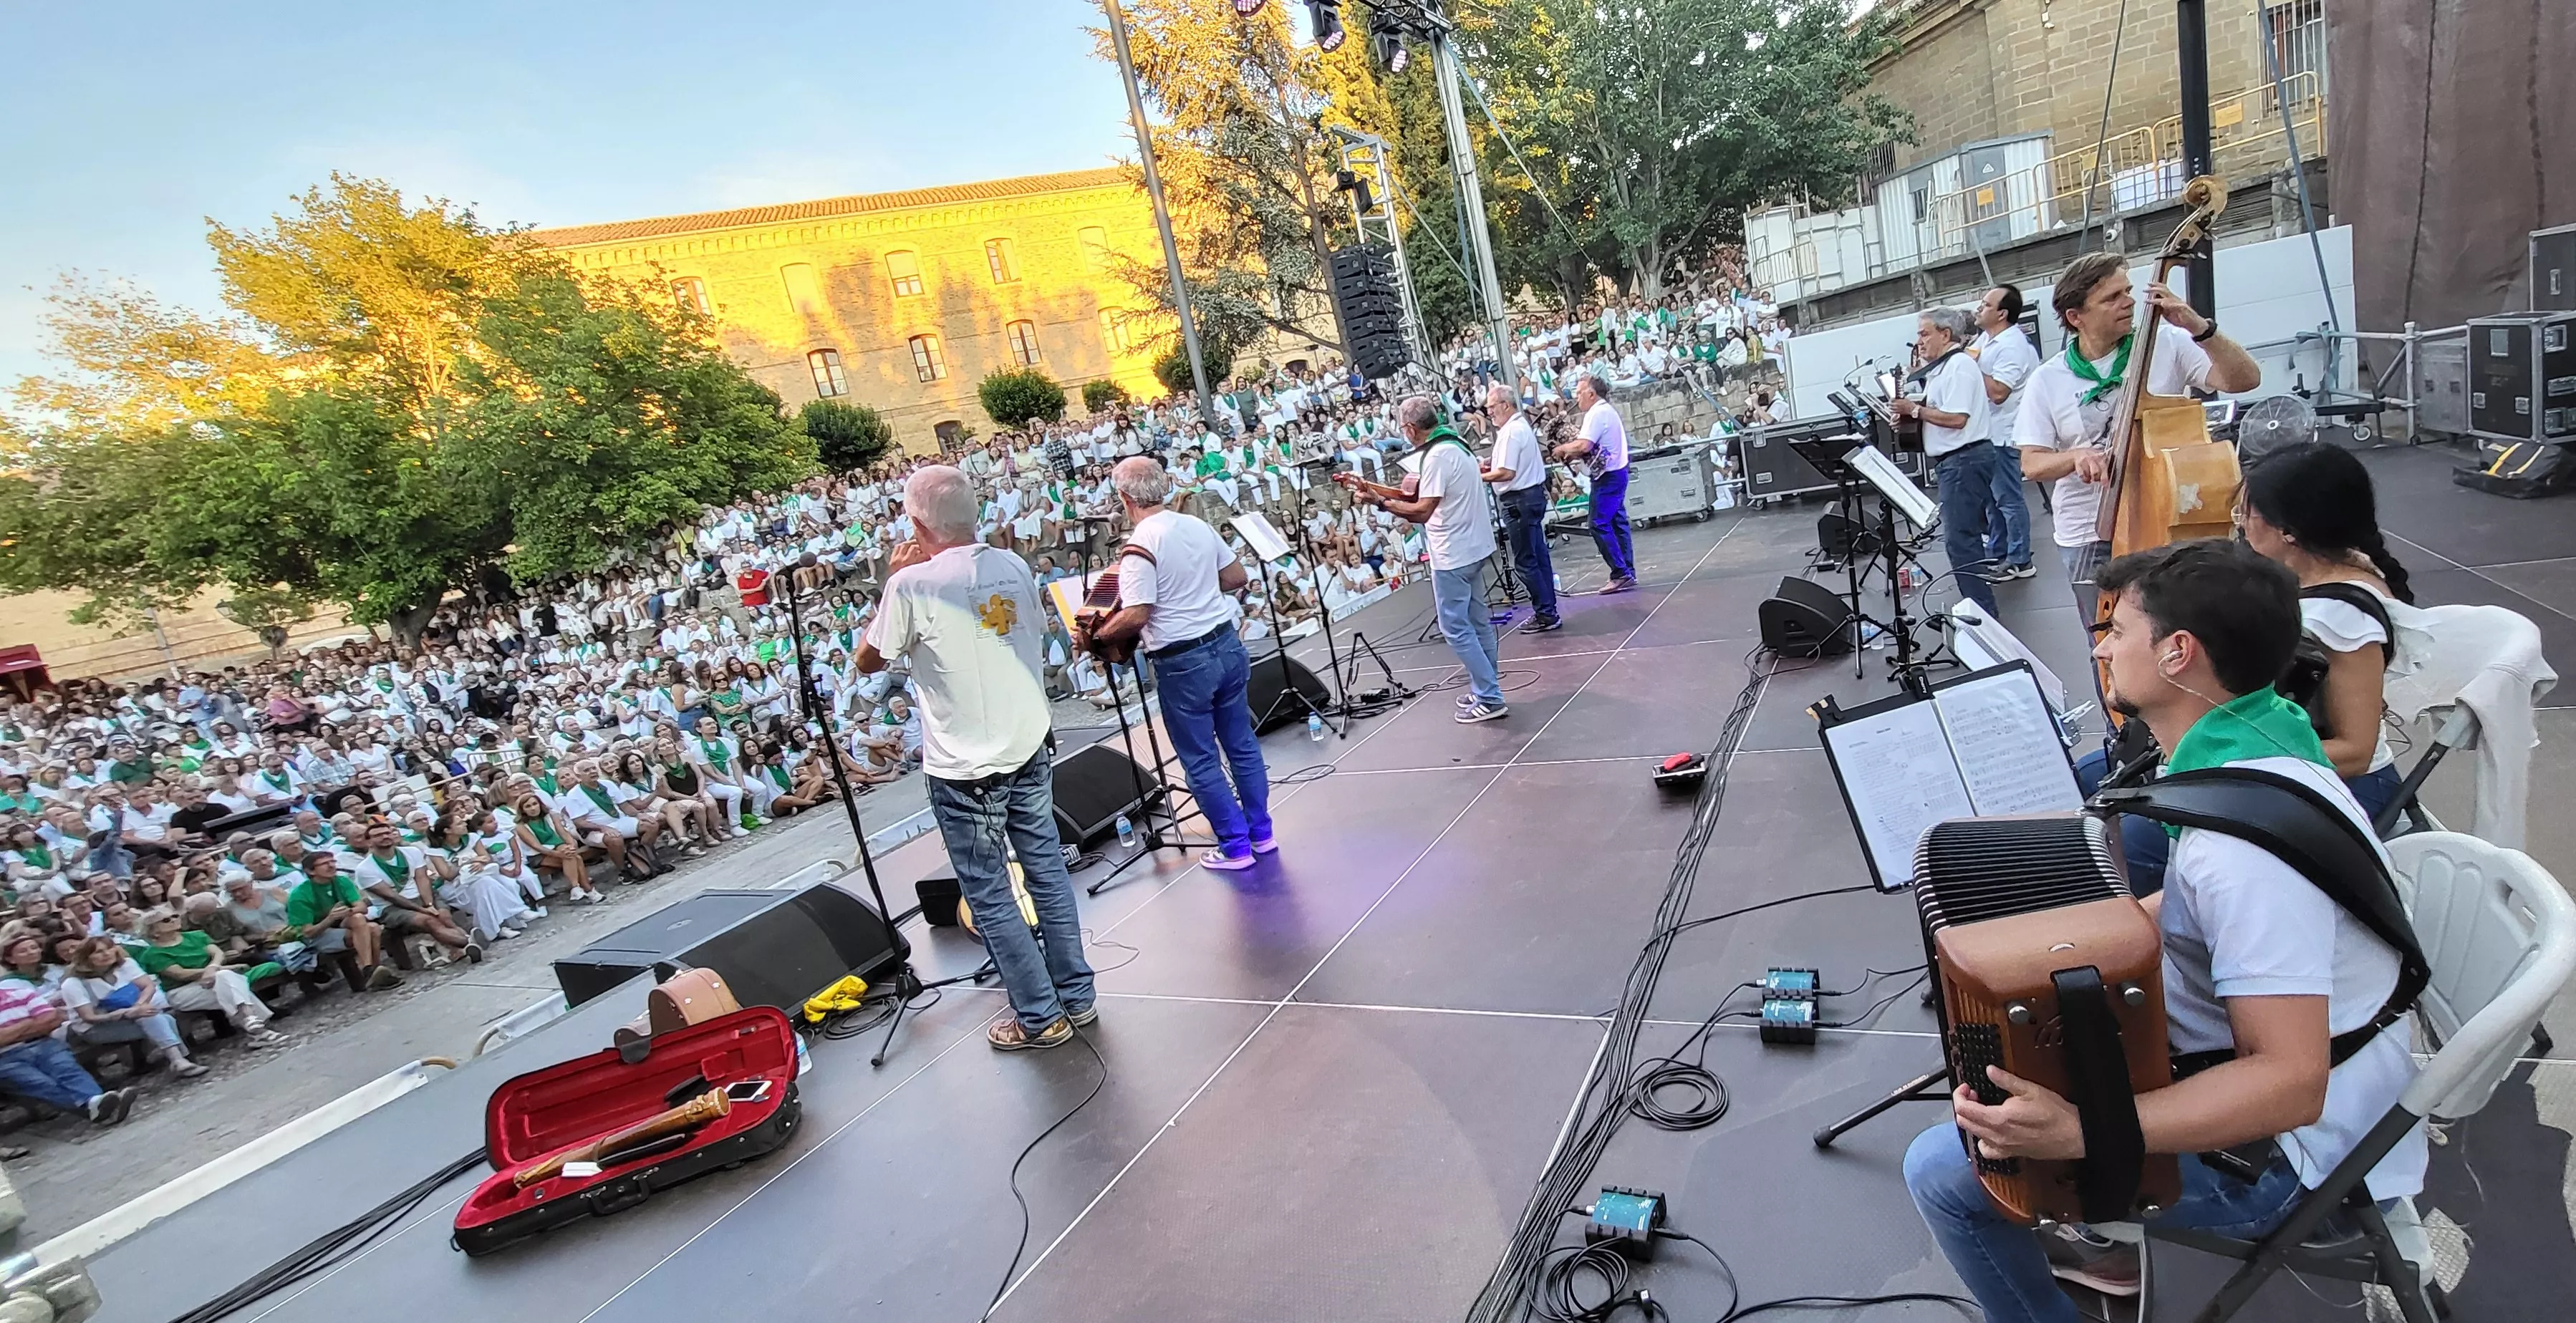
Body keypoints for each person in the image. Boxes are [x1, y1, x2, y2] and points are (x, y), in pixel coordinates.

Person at [1904, 539, 2421, 1317]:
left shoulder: (2241, 859)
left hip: (2289, 1161)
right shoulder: (2269, 736)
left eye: (2120, 630)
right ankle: (2091, 1233)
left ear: (2178, 652)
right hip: (2235, 1057)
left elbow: (2291, 1081)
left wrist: (2082, 1131)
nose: (2103, 646)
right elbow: (2191, 918)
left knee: (1943, 1170)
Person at [852, 465, 1096, 1052]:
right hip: (1028, 743)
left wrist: (892, 581)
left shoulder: (911, 586)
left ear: (915, 523)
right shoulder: (1012, 564)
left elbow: (868, 662)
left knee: (989, 892)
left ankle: (1040, 1016)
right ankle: (1077, 997)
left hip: (965, 767)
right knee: (1045, 871)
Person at [2013, 252, 2264, 611]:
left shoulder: (2168, 343)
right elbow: (2032, 463)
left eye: (2127, 291)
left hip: (2165, 515)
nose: (2129, 302)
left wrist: (2199, 328)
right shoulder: (2048, 379)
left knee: (2181, 629)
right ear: (2075, 317)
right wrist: (2074, 456)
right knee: (2104, 641)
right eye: (2111, 298)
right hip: (2088, 530)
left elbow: (2245, 380)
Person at [1076, 457, 1275, 872]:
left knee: (1200, 758)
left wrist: (1094, 639)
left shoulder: (1139, 547)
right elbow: (1237, 577)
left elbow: (1136, 615)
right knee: (1241, 745)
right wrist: (1195, 584)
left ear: (1125, 498)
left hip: (1183, 660)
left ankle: (1236, 847)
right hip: (1226, 643)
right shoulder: (1196, 525)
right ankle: (1262, 833)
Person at [2239, 441, 2414, 822]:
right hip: (2300, 772)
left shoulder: (2341, 618)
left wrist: (2227, 759)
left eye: (2248, 513)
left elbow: (2355, 751)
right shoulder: (2339, 568)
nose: (2241, 523)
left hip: (2345, 789)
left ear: (2287, 531)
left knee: (2138, 838)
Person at [1344, 396, 1510, 723]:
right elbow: (1418, 495)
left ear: (1409, 429)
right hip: (1475, 546)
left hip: (1453, 554)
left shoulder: (1435, 457)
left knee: (1455, 628)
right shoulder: (1456, 443)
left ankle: (1490, 697)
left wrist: (1379, 503)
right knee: (1478, 623)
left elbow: (1421, 510)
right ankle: (1484, 688)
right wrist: (1381, 494)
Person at [1891, 306, 2000, 616]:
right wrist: (1910, 419)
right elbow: (1939, 413)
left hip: (1964, 460)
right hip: (1956, 461)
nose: (1919, 342)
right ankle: (1978, 609)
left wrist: (1915, 411)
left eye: (1924, 334)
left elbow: (1957, 418)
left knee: (1961, 542)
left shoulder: (1960, 366)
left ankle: (1984, 617)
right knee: (1962, 540)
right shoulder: (1943, 369)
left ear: (1946, 334)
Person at [135, 908, 290, 1048]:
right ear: (154, 931)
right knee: (231, 985)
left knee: (226, 981)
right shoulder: (152, 954)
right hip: (183, 990)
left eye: (175, 916)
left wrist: (213, 968)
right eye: (166, 920)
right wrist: (217, 970)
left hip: (216, 979)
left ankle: (255, 1026)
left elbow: (218, 954)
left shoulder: (195, 936)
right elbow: (180, 974)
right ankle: (257, 1026)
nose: (175, 919)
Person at [0, 975, 135, 1126]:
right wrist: (29, 1023)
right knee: (41, 1084)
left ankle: (96, 1104)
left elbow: (53, 1019)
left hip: (44, 1044)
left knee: (67, 1070)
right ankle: (96, 1106)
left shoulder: (20, 993)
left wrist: (10, 1033)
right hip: (6, 1057)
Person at [1480, 383, 1560, 634]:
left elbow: (1506, 472)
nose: (1489, 412)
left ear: (1506, 404)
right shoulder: (1517, 427)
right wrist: (1490, 466)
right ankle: (1549, 608)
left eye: (1491, 407)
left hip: (1519, 501)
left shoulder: (1512, 431)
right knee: (1538, 556)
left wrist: (1477, 476)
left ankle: (1546, 613)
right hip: (1528, 497)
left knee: (1526, 561)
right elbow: (1506, 465)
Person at [1972, 284, 2040, 581]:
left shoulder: (2012, 345)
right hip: (1989, 432)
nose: (1979, 308)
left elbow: (1999, 391)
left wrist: (1971, 366)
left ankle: (2020, 559)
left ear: (2002, 313)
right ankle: (1999, 554)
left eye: (1986, 305)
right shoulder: (1986, 340)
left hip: (2005, 432)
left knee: (2008, 500)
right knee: (1993, 500)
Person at [1550, 372, 1636, 593]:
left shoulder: (1597, 413)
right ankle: (1627, 570)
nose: (1576, 397)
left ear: (1591, 393)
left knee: (1598, 523)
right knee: (1617, 522)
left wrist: (1562, 449)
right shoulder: (1605, 411)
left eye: (1579, 393)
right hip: (1615, 472)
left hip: (1608, 476)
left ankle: (1620, 572)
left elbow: (1584, 445)